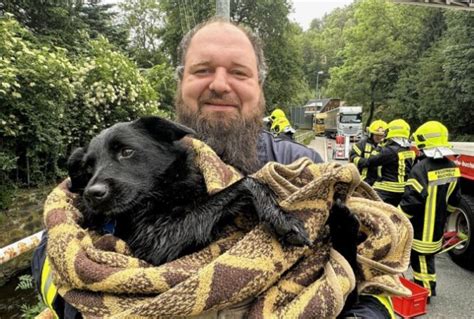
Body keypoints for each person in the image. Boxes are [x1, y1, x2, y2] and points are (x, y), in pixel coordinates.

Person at [32, 17, 394, 318]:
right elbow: (53, 258)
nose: (220, 85)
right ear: (181, 82)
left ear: (259, 86)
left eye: (238, 72)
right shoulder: (112, 171)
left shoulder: (300, 167)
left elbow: (374, 278)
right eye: (202, 70)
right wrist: (91, 304)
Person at [399, 121, 461, 299]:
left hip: (421, 227)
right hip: (438, 225)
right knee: (428, 259)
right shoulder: (452, 167)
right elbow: (455, 199)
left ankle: (425, 292)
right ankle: (425, 284)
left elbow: (412, 201)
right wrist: (445, 214)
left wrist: (398, 217)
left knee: (421, 260)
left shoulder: (421, 168)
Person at [357, 119, 415, 206]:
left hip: (386, 190)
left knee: (368, 207)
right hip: (403, 189)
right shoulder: (409, 150)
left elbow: (371, 161)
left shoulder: (389, 150)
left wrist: (380, 146)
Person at [350, 119, 387, 185]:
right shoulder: (362, 144)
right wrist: (367, 162)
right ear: (371, 134)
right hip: (364, 180)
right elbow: (353, 157)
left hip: (381, 182)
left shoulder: (387, 146)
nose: (379, 137)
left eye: (381, 135)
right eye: (376, 135)